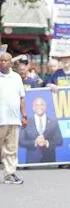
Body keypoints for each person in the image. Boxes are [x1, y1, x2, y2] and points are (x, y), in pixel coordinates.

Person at [0, 51, 27, 184]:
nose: (3, 62)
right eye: (1, 60)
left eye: (6, 60)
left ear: (11, 62)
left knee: (11, 148)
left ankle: (9, 174)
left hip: (13, 119)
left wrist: (24, 115)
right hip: (0, 119)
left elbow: (22, 97)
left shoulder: (16, 77)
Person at [19, 97, 63, 163]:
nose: (39, 107)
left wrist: (47, 143)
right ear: (33, 108)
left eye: (42, 104)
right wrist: (35, 142)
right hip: (31, 162)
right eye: (37, 105)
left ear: (45, 107)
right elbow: (21, 141)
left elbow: (59, 141)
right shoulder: (26, 122)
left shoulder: (53, 122)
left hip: (49, 161)